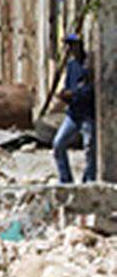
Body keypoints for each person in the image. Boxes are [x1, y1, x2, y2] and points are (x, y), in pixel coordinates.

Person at [53, 33, 97, 184]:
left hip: (87, 114)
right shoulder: (72, 65)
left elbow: (92, 89)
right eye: (68, 45)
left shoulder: (90, 64)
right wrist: (64, 95)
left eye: (72, 45)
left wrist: (75, 93)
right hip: (73, 114)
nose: (70, 48)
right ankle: (65, 179)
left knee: (90, 148)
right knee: (58, 144)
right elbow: (68, 86)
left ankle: (89, 179)